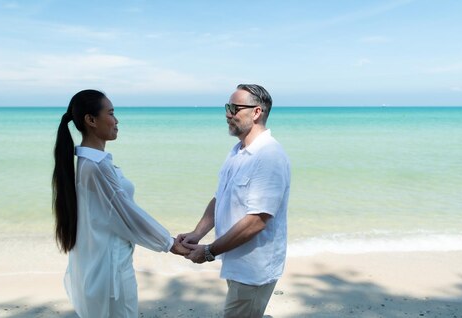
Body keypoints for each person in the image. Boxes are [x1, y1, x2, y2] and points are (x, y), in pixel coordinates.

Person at [52, 89, 189, 318]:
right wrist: (169, 243)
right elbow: (127, 214)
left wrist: (168, 241)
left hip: (104, 266)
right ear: (91, 120)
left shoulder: (90, 163)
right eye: (111, 113)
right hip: (110, 274)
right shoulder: (96, 166)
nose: (116, 121)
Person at [178, 84, 291, 318]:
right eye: (227, 107)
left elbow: (257, 220)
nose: (228, 114)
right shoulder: (238, 151)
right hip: (235, 261)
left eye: (234, 108)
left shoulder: (269, 155)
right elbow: (221, 197)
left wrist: (209, 251)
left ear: (257, 112)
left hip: (253, 269)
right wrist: (198, 233)